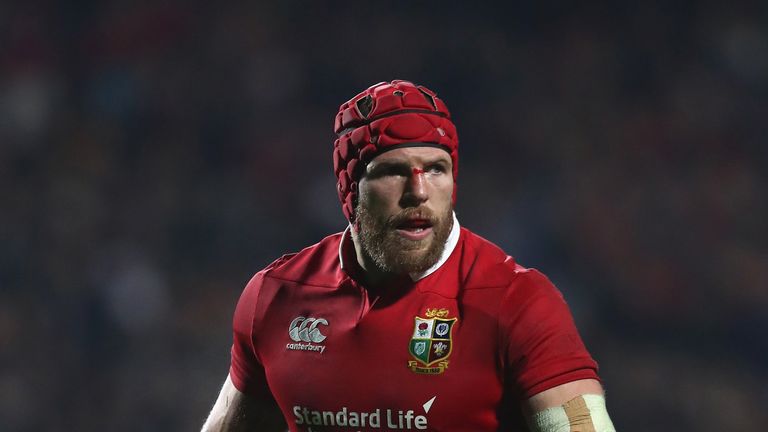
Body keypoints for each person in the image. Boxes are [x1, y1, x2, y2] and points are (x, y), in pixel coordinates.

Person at [202, 80, 616, 431]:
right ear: (350, 190)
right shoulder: (276, 297)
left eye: (436, 168)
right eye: (393, 171)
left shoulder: (517, 302)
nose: (418, 192)